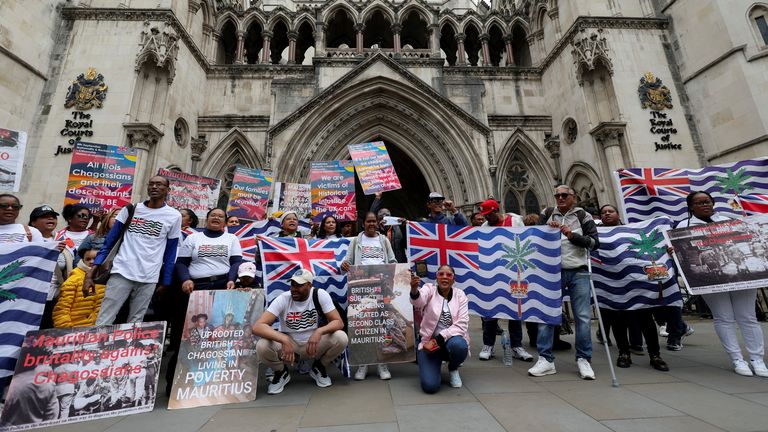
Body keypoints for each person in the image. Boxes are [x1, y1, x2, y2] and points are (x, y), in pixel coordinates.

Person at [675, 191, 767, 377]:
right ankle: (736, 358)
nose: (704, 205)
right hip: (712, 281)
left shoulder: (727, 220)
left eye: (707, 201)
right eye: (699, 203)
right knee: (723, 317)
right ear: (691, 207)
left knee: (747, 316)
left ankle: (757, 359)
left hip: (741, 277)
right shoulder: (683, 226)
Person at [83, 175, 182, 325]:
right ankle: (98, 348)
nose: (154, 187)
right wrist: (92, 271)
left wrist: (165, 281)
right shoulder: (130, 209)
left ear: (168, 190)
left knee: (136, 321)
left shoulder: (174, 216)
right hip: (122, 271)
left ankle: (127, 348)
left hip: (149, 276)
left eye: (159, 184)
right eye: (152, 183)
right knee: (105, 317)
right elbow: (109, 243)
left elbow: (171, 252)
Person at [165, 208, 243, 393]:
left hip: (222, 287)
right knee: (185, 336)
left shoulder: (231, 239)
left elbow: (236, 262)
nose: (216, 218)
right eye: (212, 215)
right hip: (195, 289)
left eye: (220, 216)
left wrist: (232, 279)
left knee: (218, 335)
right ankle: (175, 383)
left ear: (225, 221)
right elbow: (181, 263)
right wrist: (185, 279)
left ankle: (216, 380)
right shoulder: (194, 238)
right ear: (206, 219)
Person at [528, 185, 600, 380]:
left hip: (579, 271)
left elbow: (594, 243)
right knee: (547, 315)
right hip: (552, 272)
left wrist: (571, 235)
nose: (560, 198)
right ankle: (545, 359)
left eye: (564, 195)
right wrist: (546, 231)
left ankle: (584, 359)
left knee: (583, 317)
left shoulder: (583, 216)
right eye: (557, 195)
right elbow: (535, 239)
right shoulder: (547, 214)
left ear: (573, 197)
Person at [253, 269, 348, 394]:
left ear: (309, 285)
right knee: (262, 346)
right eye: (292, 285)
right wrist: (284, 339)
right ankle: (281, 372)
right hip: (290, 348)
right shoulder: (283, 298)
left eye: (299, 285)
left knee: (341, 338)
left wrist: (319, 331)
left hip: (313, 344)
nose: (294, 289)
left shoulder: (320, 294)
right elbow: (258, 326)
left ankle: (319, 367)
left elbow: (338, 322)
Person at [598, 204, 669, 371]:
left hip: (637, 281)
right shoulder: (597, 235)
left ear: (617, 213)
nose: (607, 214)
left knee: (645, 319)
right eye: (603, 212)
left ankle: (655, 355)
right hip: (613, 282)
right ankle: (624, 353)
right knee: (618, 320)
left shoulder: (632, 231)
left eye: (610, 211)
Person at [341, 211, 397, 380]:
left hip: (381, 286)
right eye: (368, 221)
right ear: (363, 223)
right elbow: (348, 261)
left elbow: (393, 261)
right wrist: (344, 265)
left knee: (381, 323)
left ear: (377, 223)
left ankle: (382, 363)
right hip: (361, 287)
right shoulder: (356, 241)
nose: (371, 224)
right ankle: (363, 363)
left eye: (374, 221)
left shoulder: (384, 241)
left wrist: (389, 272)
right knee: (363, 324)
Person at [476, 199, 533, 363]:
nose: (487, 218)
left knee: (516, 310)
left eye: (489, 214)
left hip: (514, 272)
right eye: (484, 215)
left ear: (496, 210)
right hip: (493, 273)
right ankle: (488, 345)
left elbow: (525, 241)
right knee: (490, 310)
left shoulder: (514, 221)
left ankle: (516, 346)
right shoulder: (485, 227)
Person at [410, 265, 469, 393]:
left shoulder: (460, 295)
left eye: (449, 275)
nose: (444, 277)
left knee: (459, 345)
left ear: (454, 279)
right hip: (429, 344)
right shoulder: (429, 290)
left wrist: (439, 338)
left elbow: (462, 324)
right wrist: (414, 290)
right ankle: (433, 362)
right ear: (436, 277)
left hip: (450, 341)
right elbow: (418, 302)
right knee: (430, 387)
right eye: (441, 274)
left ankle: (453, 368)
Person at [52, 249, 105, 328]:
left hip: (97, 333)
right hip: (75, 331)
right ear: (82, 260)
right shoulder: (73, 280)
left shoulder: (105, 279)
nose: (91, 262)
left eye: (95, 258)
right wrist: (67, 332)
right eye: (88, 259)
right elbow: (61, 310)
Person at [370, 191, 407, 263]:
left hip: (398, 263)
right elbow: (371, 214)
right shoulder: (375, 231)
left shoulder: (398, 229)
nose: (385, 217)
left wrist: (405, 228)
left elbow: (407, 244)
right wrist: (377, 198)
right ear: (377, 219)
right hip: (381, 263)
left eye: (387, 215)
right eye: (382, 216)